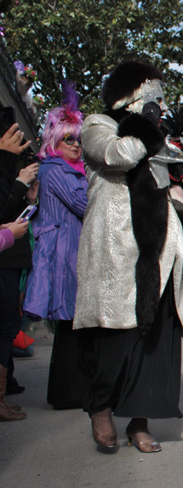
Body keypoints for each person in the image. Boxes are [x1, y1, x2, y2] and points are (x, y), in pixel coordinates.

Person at [74, 61, 183, 451]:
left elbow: (180, 179)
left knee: (155, 338)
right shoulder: (98, 124)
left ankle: (140, 420)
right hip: (116, 247)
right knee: (117, 334)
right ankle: (101, 407)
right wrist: (147, 124)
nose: (160, 106)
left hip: (159, 250)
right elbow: (120, 155)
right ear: (131, 95)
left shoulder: (160, 135)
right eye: (153, 97)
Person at [22, 95, 92, 410]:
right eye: (69, 139)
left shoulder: (62, 169)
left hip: (69, 248)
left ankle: (66, 393)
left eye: (79, 140)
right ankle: (69, 394)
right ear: (54, 140)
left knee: (71, 327)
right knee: (70, 324)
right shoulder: (57, 171)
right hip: (65, 253)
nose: (76, 145)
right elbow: (83, 205)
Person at [0, 123, 37, 422]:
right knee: (5, 328)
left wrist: (29, 197)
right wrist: (20, 182)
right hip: (5, 258)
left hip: (12, 259)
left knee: (9, 326)